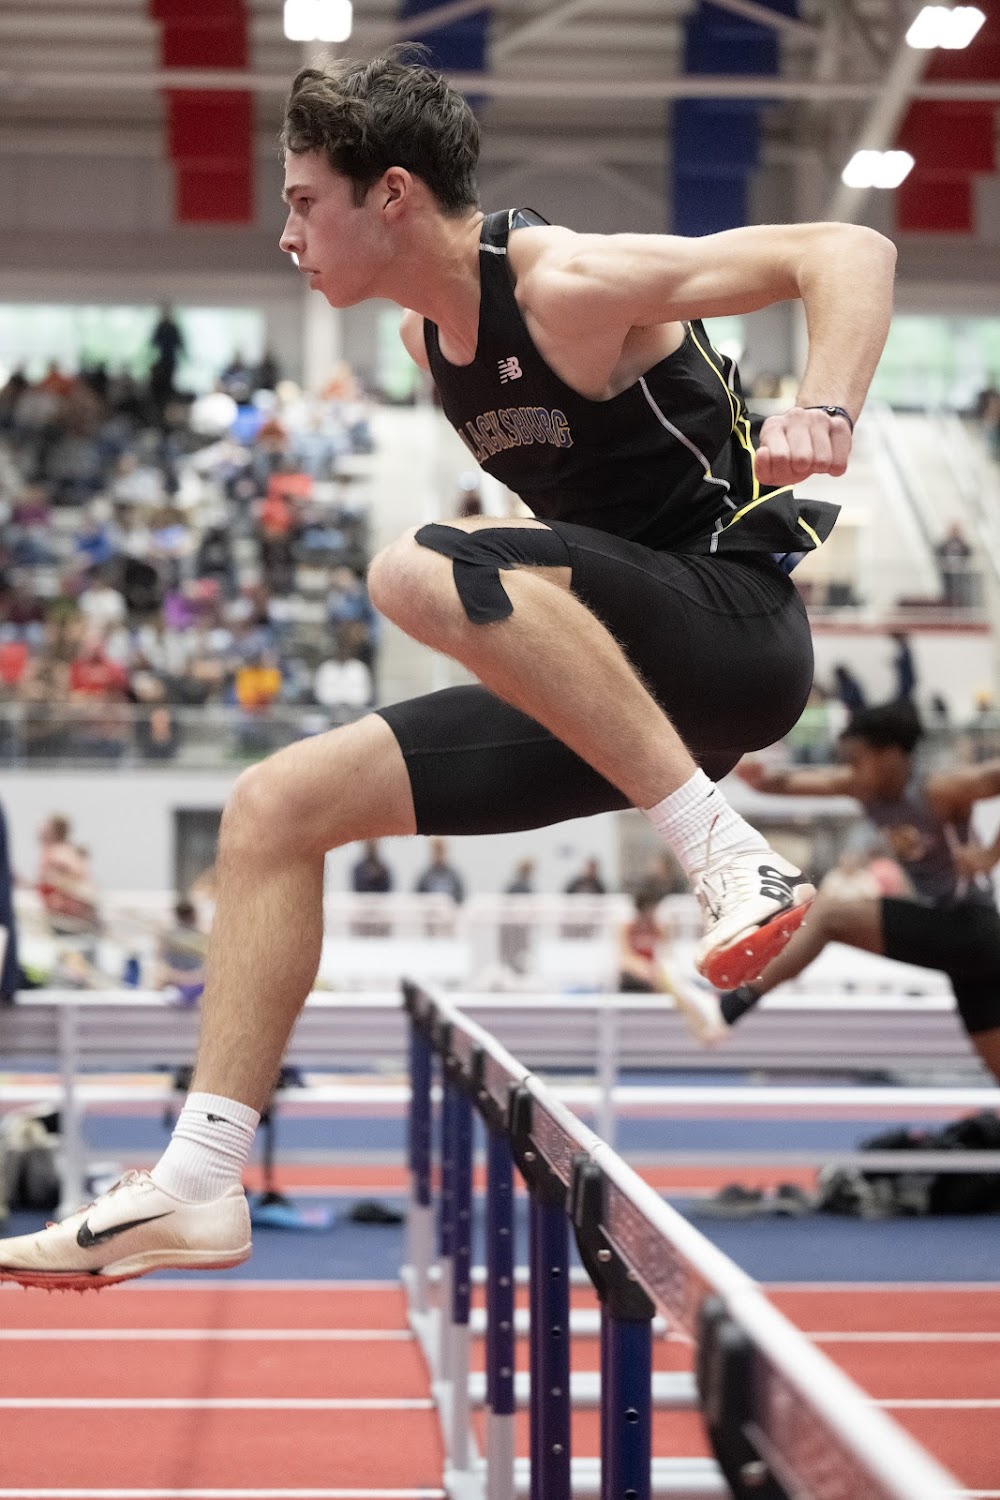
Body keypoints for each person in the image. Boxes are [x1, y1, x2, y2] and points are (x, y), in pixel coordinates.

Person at [0, 51, 897, 1288]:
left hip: (733, 632)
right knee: (271, 808)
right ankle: (198, 1182)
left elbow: (846, 250)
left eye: (304, 202)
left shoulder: (562, 280)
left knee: (417, 568)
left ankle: (728, 855)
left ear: (392, 195)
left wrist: (826, 407)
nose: (285, 236)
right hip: (631, 685)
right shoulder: (429, 345)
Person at [674, 701, 1000, 1088]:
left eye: (857, 760)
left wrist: (990, 855)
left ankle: (728, 1008)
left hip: (971, 928)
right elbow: (789, 784)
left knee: (831, 915)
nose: (850, 770)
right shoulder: (862, 787)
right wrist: (754, 776)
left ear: (891, 756)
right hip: (957, 943)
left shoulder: (940, 790)